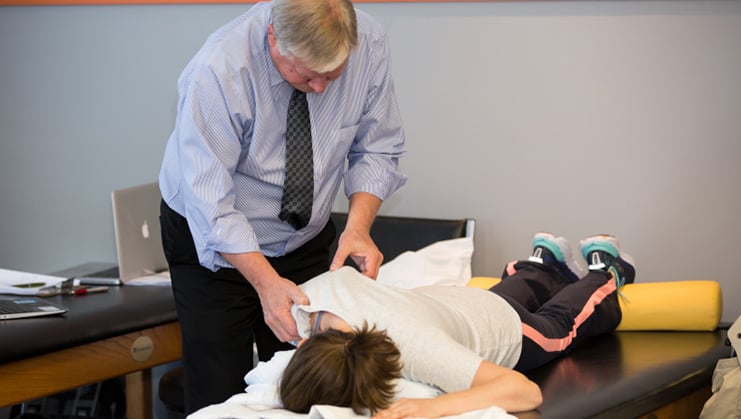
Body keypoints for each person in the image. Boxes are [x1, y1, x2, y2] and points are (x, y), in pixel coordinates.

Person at [157, 0, 407, 413]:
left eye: (333, 75)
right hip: (215, 247)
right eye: (308, 75)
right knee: (222, 398)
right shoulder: (218, 69)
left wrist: (358, 227)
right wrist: (265, 282)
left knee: (310, 386)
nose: (322, 88)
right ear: (274, 37)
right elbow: (211, 203)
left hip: (304, 236)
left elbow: (378, 147)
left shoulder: (369, 41)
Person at [279, 233, 637, 417]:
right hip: (456, 302)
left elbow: (526, 393)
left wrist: (432, 408)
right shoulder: (312, 302)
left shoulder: (418, 349)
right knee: (500, 297)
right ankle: (543, 266)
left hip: (507, 328)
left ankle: (608, 271)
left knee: (558, 327)